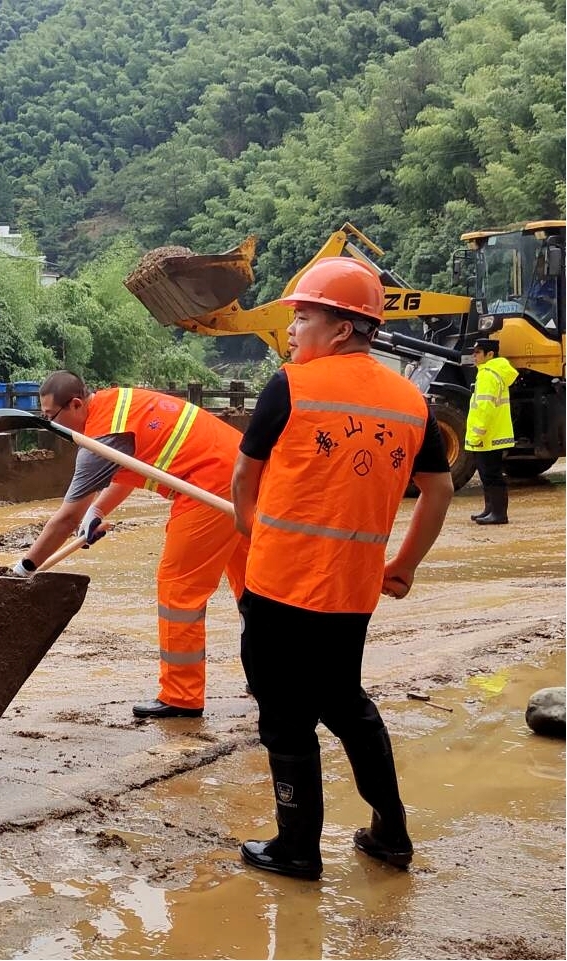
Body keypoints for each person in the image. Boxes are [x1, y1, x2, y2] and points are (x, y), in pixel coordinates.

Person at [231, 258, 453, 880]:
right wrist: (403, 565)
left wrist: (250, 524)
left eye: (304, 316)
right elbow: (437, 492)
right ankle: (391, 832)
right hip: (353, 592)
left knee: (284, 714)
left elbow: (245, 473)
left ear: (344, 329)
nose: (294, 329)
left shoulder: (291, 386)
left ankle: (297, 847)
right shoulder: (412, 402)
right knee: (345, 703)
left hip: (280, 585)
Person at [11, 371, 249, 720]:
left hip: (209, 489)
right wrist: (97, 510)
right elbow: (130, 468)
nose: (52, 426)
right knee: (254, 589)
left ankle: (182, 696)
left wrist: (24, 568)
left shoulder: (100, 439)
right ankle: (274, 678)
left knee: (179, 589)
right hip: (242, 476)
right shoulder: (114, 406)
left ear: (76, 404)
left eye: (51, 417)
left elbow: (65, 518)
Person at [465, 338, 518, 525]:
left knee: (491, 474)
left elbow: (484, 408)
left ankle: (498, 514)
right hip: (493, 433)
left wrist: (476, 434)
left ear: (490, 355)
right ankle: (490, 509)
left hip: (487, 435)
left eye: (478, 352)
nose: (474, 356)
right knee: (487, 473)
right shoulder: (493, 373)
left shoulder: (488, 374)